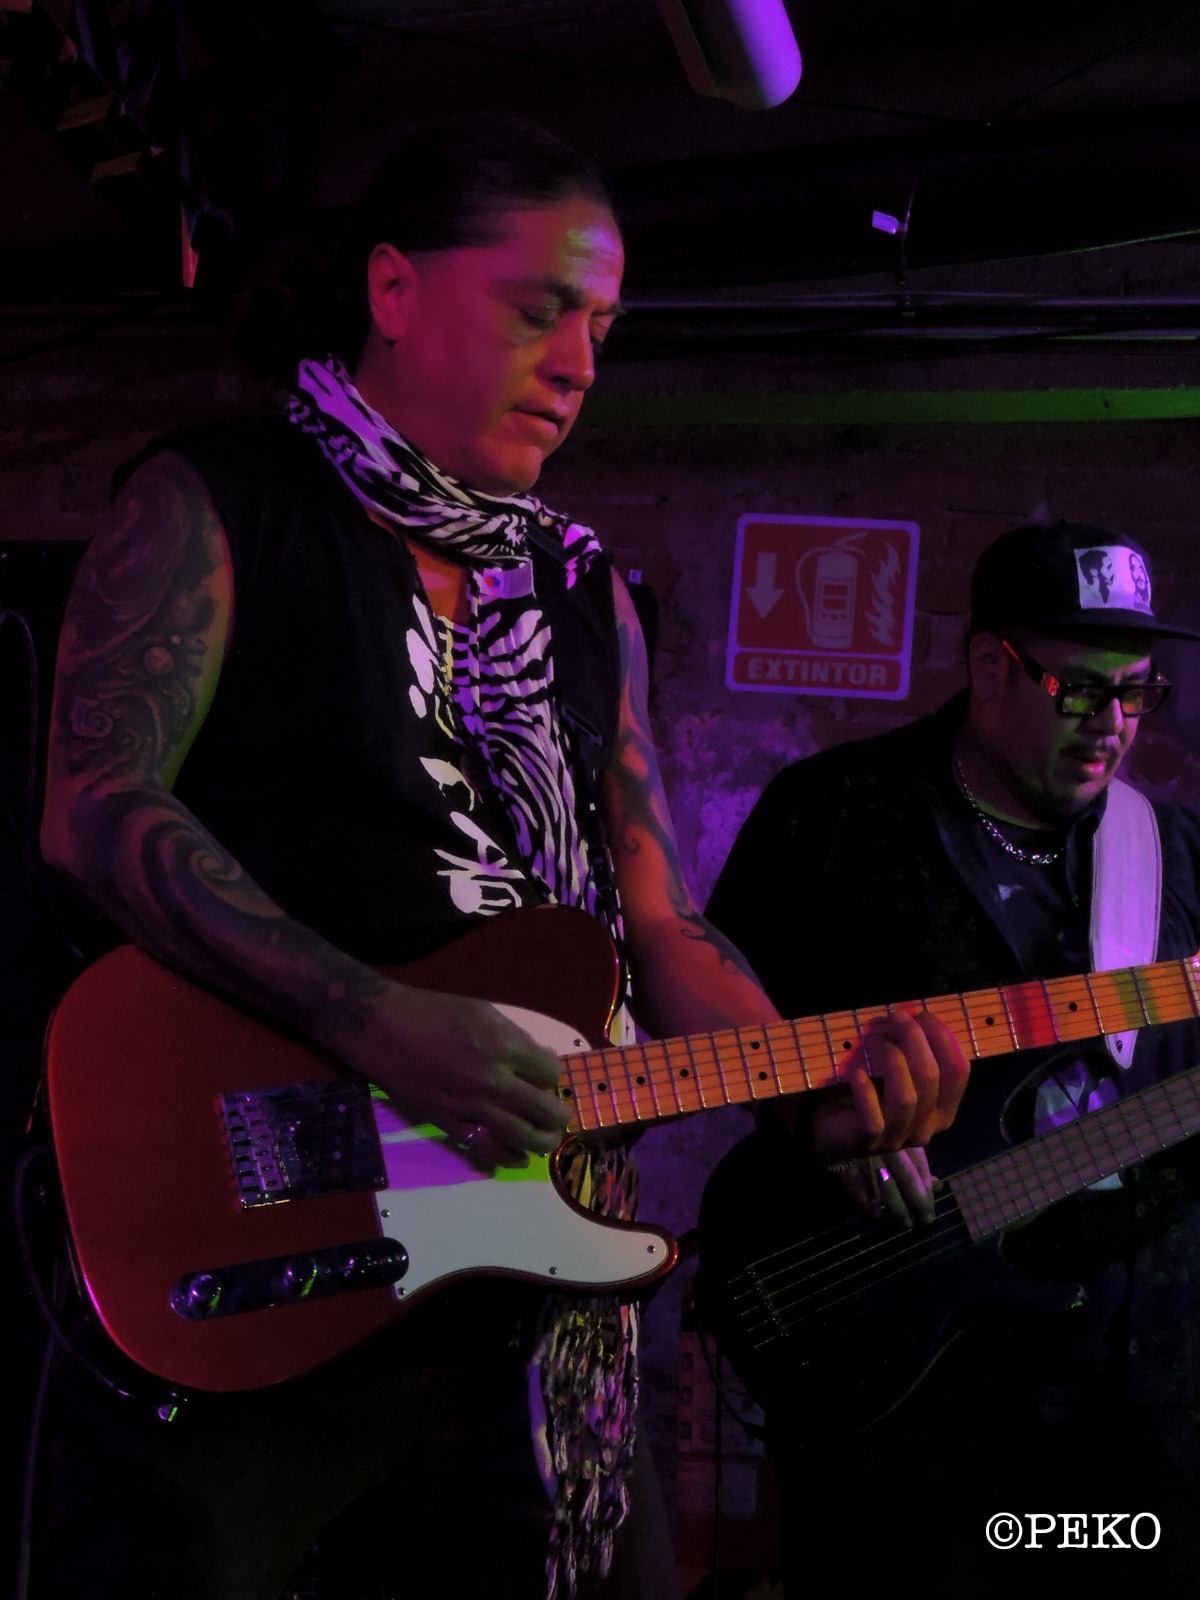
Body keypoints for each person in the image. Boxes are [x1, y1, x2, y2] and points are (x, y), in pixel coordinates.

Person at [31, 117, 965, 1600]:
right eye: (543, 310)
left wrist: (815, 1087)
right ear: (393, 289)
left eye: (603, 327)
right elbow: (93, 804)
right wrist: (374, 1018)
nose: (583, 364)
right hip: (274, 1247)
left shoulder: (589, 595)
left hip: (535, 1286)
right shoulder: (218, 500)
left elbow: (658, 921)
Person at [704, 520, 1200, 1594]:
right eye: (1079, 690)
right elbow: (721, 1039)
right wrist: (822, 1123)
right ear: (989, 665)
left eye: (1136, 693)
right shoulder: (833, 815)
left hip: (1130, 1387)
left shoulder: (1176, 855)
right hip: (898, 1374)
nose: (1112, 725)